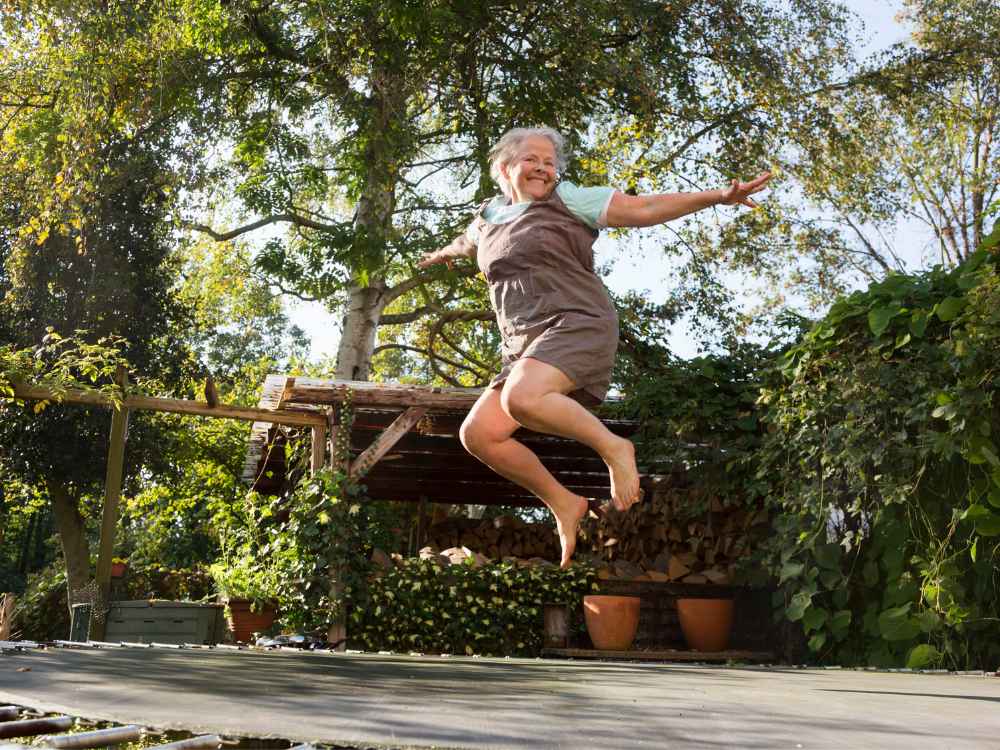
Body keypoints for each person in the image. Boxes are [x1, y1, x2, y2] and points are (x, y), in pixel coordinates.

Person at [418, 126, 770, 568]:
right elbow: (468, 242)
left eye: (550, 162)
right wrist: (442, 253)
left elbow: (643, 208)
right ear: (506, 167)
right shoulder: (487, 215)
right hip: (523, 342)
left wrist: (717, 196)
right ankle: (566, 503)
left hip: (577, 321)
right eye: (533, 160)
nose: (544, 169)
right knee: (480, 435)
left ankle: (615, 448)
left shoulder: (570, 200)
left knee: (523, 398)